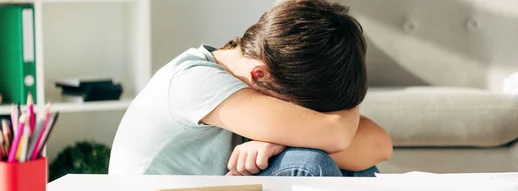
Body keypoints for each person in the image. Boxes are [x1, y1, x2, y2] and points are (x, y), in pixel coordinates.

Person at [108, 0, 392, 177]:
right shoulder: (195, 82)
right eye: (301, 108)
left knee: (356, 168)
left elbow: (380, 143)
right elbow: (337, 133)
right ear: (259, 74)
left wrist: (277, 138)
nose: (304, 116)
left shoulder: (245, 75)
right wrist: (293, 136)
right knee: (308, 164)